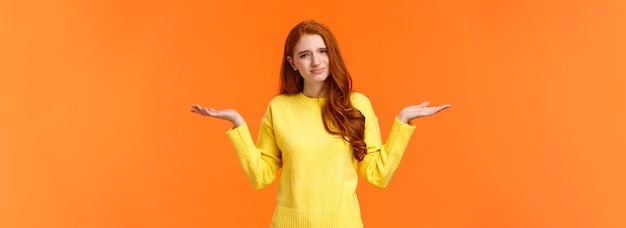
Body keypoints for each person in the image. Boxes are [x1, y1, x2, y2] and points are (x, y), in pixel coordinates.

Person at [191, 20, 450, 228]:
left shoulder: (357, 104)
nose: (316, 62)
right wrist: (237, 124)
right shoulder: (279, 109)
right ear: (293, 63)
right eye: (305, 54)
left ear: (332, 54)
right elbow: (261, 177)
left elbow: (378, 175)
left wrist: (403, 122)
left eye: (322, 51)